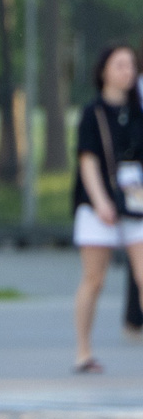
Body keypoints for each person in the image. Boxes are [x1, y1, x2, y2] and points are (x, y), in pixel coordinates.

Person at [72, 43, 143, 373]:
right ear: (104, 71)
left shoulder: (139, 109)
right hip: (98, 206)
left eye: (131, 65)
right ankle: (83, 351)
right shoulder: (93, 112)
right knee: (94, 280)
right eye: (120, 65)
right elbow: (87, 160)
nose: (128, 71)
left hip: (136, 205)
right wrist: (101, 202)